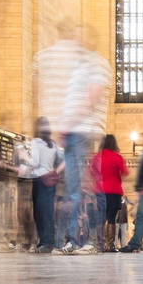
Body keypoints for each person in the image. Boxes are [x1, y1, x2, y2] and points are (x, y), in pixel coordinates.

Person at [37, 22, 111, 254]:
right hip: (74, 132)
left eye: (79, 37)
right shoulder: (80, 66)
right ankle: (74, 240)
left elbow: (92, 98)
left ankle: (85, 241)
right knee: (74, 189)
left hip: (82, 131)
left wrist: (68, 124)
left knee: (79, 190)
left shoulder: (94, 63)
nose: (74, 42)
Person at [19, 119, 63, 252]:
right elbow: (62, 160)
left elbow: (35, 162)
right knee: (48, 213)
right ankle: (47, 241)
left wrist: (24, 156)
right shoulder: (53, 144)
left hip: (39, 180)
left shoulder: (36, 142)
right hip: (50, 180)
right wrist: (55, 171)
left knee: (39, 213)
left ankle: (45, 243)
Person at [92, 133, 127, 252]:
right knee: (112, 218)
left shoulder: (97, 157)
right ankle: (110, 245)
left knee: (101, 218)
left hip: (100, 190)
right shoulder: (117, 157)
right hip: (114, 191)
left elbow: (92, 172)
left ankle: (100, 245)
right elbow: (125, 171)